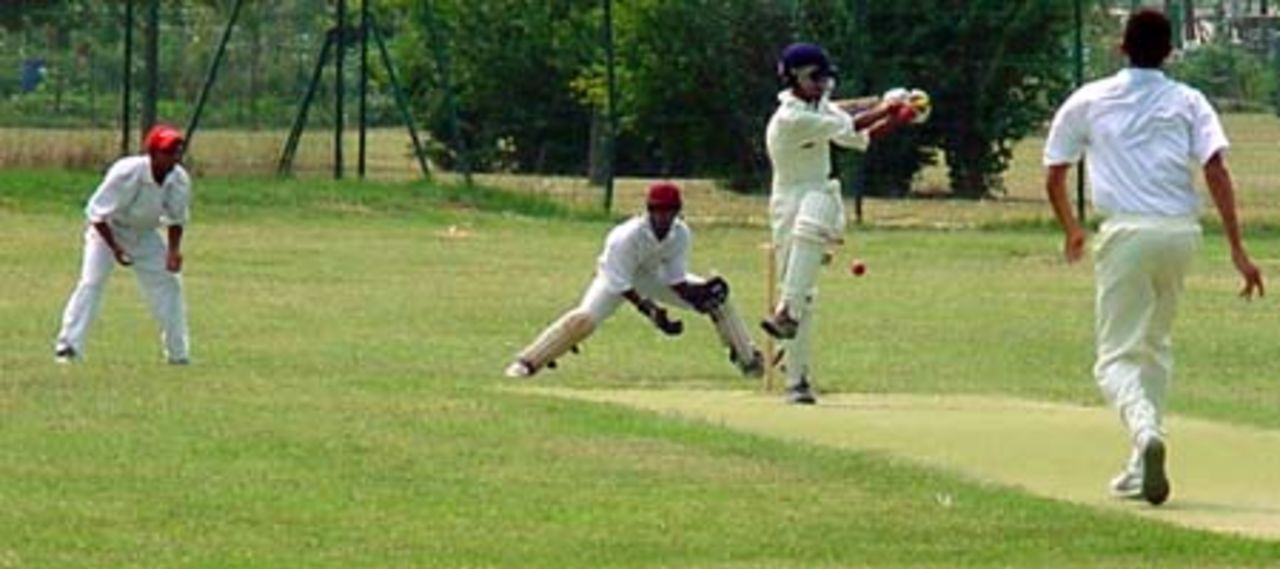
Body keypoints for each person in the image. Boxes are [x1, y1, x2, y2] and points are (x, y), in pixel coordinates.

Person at [1043, 9, 1264, 506]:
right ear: (1170, 52)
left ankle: (1145, 436)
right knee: (1155, 346)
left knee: (1114, 359)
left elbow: (1055, 173)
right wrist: (1237, 249)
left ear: (1122, 46)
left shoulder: (1091, 98)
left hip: (1126, 233)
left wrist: (1072, 229)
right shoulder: (1188, 100)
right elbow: (1216, 170)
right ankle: (1138, 464)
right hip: (1180, 235)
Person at [760, 42, 928, 404]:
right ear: (794, 78)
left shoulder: (816, 107)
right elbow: (853, 123)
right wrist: (887, 107)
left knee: (819, 205)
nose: (823, 83)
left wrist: (895, 114)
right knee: (805, 293)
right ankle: (797, 381)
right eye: (815, 77)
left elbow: (853, 126)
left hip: (819, 194)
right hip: (787, 201)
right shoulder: (791, 119)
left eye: (824, 77)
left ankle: (785, 311)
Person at [504, 182, 763, 379]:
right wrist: (651, 311)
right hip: (615, 280)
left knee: (717, 300)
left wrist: (699, 294)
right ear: (648, 210)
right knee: (583, 320)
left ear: (677, 212)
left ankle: (748, 360)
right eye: (657, 211)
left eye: (669, 212)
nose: (663, 218)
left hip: (651, 277)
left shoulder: (680, 233)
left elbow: (676, 279)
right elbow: (621, 284)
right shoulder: (625, 237)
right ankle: (527, 362)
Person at [53, 123, 194, 365]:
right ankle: (68, 346)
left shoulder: (179, 179)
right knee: (91, 283)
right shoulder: (126, 172)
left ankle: (178, 354)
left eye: (178, 152)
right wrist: (115, 248)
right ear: (153, 152)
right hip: (108, 231)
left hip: (145, 235)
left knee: (170, 285)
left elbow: (176, 218)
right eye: (168, 152)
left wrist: (173, 252)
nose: (174, 158)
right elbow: (97, 213)